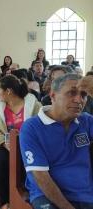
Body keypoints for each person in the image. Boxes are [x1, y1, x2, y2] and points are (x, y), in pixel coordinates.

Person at [20, 73, 93, 209]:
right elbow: (41, 176)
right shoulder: (32, 127)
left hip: (85, 195)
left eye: (84, 95)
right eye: (71, 93)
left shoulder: (86, 121)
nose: (79, 100)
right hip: (47, 196)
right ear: (52, 95)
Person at [0, 75, 41, 209]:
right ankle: (5, 201)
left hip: (28, 144)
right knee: (2, 160)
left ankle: (28, 195)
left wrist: (25, 143)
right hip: (2, 144)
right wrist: (4, 142)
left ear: (8, 91)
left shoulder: (34, 105)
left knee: (28, 159)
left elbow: (41, 128)